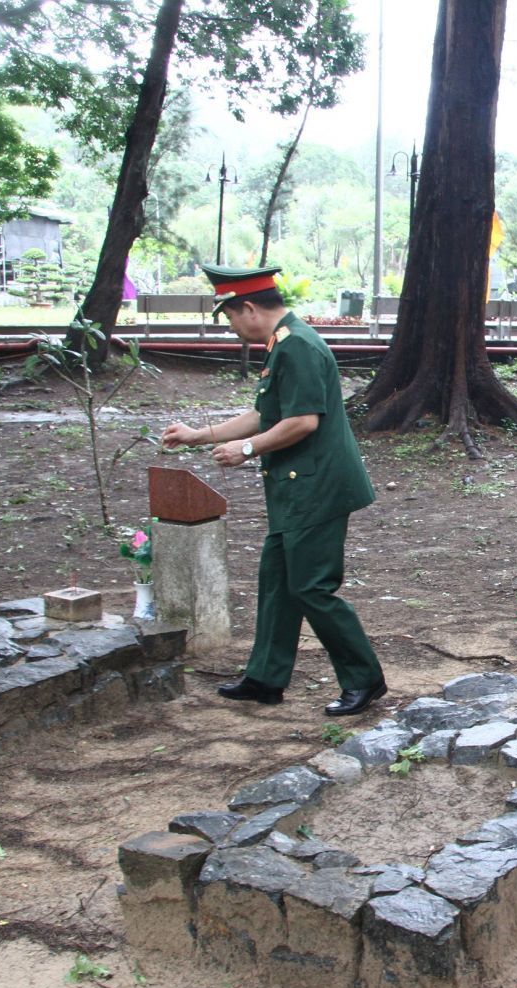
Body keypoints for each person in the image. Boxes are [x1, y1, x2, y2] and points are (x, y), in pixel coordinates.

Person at [160, 264, 387, 714]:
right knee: (278, 583)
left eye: (229, 317)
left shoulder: (297, 345)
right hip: (295, 487)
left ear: (248, 307)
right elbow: (266, 414)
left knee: (312, 587)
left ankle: (364, 679)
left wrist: (245, 449)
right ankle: (265, 677)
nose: (230, 327)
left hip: (317, 487)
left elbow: (303, 421)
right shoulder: (284, 343)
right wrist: (198, 434)